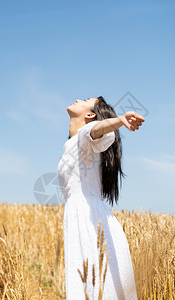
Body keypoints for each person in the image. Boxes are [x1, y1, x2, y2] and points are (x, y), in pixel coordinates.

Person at [57, 96, 145, 299]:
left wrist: (120, 119)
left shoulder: (86, 135)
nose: (77, 99)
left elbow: (97, 130)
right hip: (83, 216)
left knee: (94, 287)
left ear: (90, 115)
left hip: (89, 220)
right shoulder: (73, 144)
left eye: (85, 100)